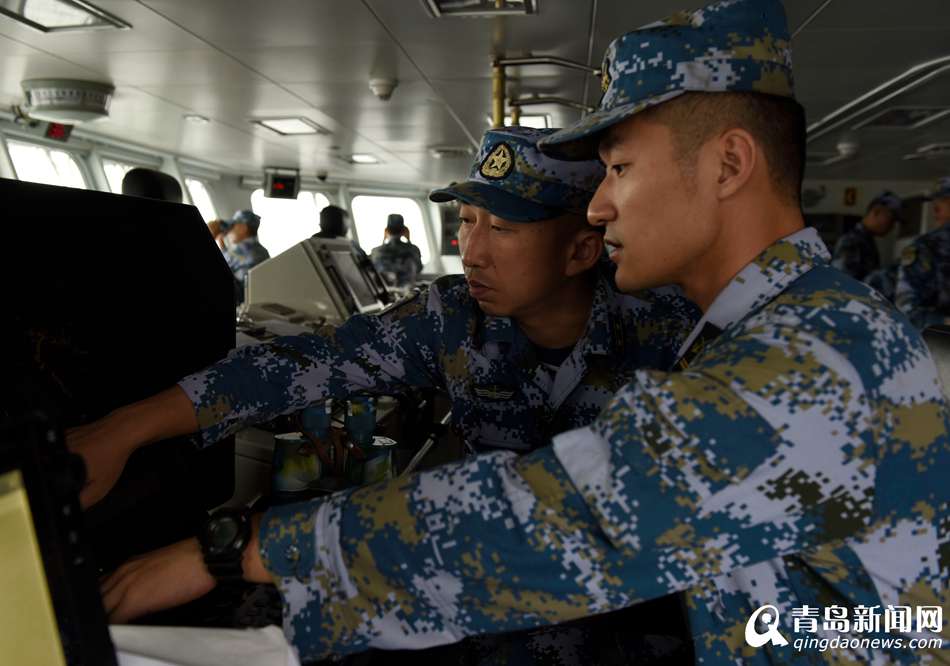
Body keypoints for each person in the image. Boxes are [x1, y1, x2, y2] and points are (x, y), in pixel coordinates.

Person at [73, 127, 700, 662]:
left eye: (502, 228)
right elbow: (298, 365)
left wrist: (240, 550)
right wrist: (122, 430)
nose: (471, 251)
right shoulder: (452, 318)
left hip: (642, 613)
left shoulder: (675, 335)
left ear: (581, 249)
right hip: (495, 601)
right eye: (466, 222)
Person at [896, 176, 950, 329]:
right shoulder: (926, 247)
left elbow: (905, 308)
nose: (935, 208)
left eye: (943, 201)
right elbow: (907, 307)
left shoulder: (922, 247)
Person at [831, 191, 902, 283]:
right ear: (876, 212)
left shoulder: (866, 241)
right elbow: (843, 282)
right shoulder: (852, 241)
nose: (892, 226)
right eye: (891, 220)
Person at [370, 214, 424, 287]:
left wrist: (384, 240)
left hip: (387, 292)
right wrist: (409, 240)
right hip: (407, 291)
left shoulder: (376, 251)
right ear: (404, 231)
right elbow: (419, 269)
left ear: (386, 231)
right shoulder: (413, 249)